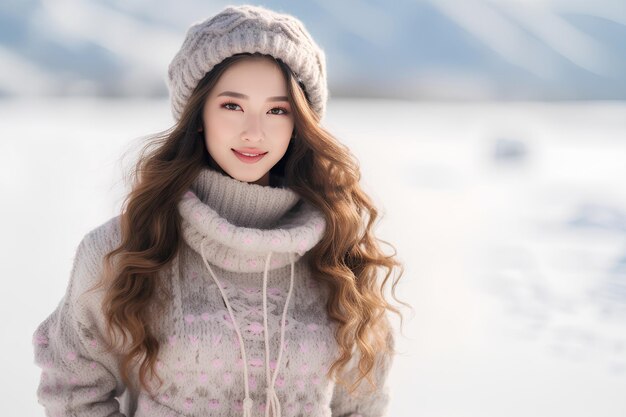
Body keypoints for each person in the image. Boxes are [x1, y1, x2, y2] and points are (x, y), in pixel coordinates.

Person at [32, 4, 406, 417]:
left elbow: (363, 405)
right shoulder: (125, 249)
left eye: (277, 110)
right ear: (199, 114)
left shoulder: (339, 251)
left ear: (299, 123)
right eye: (232, 105)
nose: (254, 131)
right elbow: (73, 392)